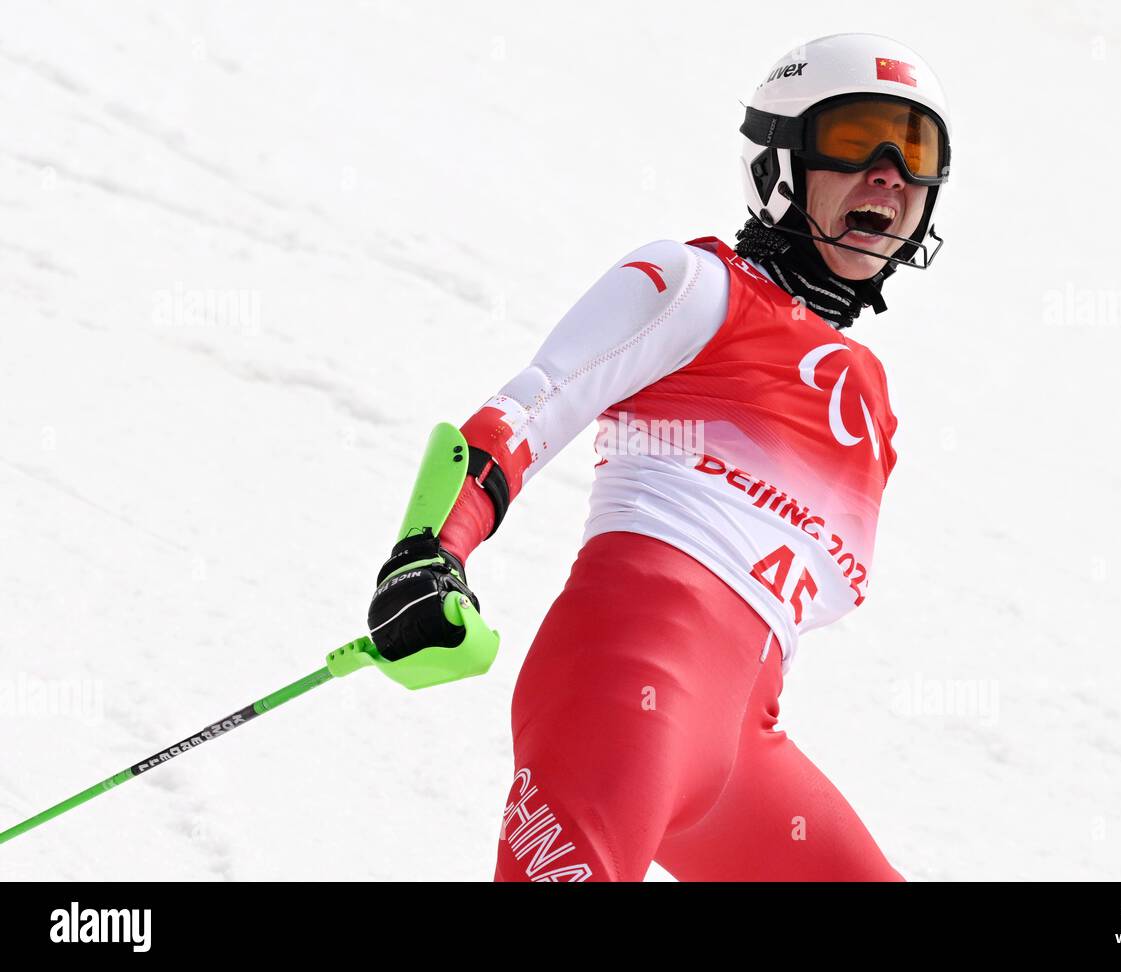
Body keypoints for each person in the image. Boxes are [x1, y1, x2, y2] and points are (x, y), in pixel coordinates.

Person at [366, 32, 952, 881]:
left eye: (918, 152)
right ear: (778, 163)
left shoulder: (867, 400)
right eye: (858, 140)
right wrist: (429, 552)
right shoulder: (696, 284)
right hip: (623, 687)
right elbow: (533, 402)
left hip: (743, 755)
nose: (892, 175)